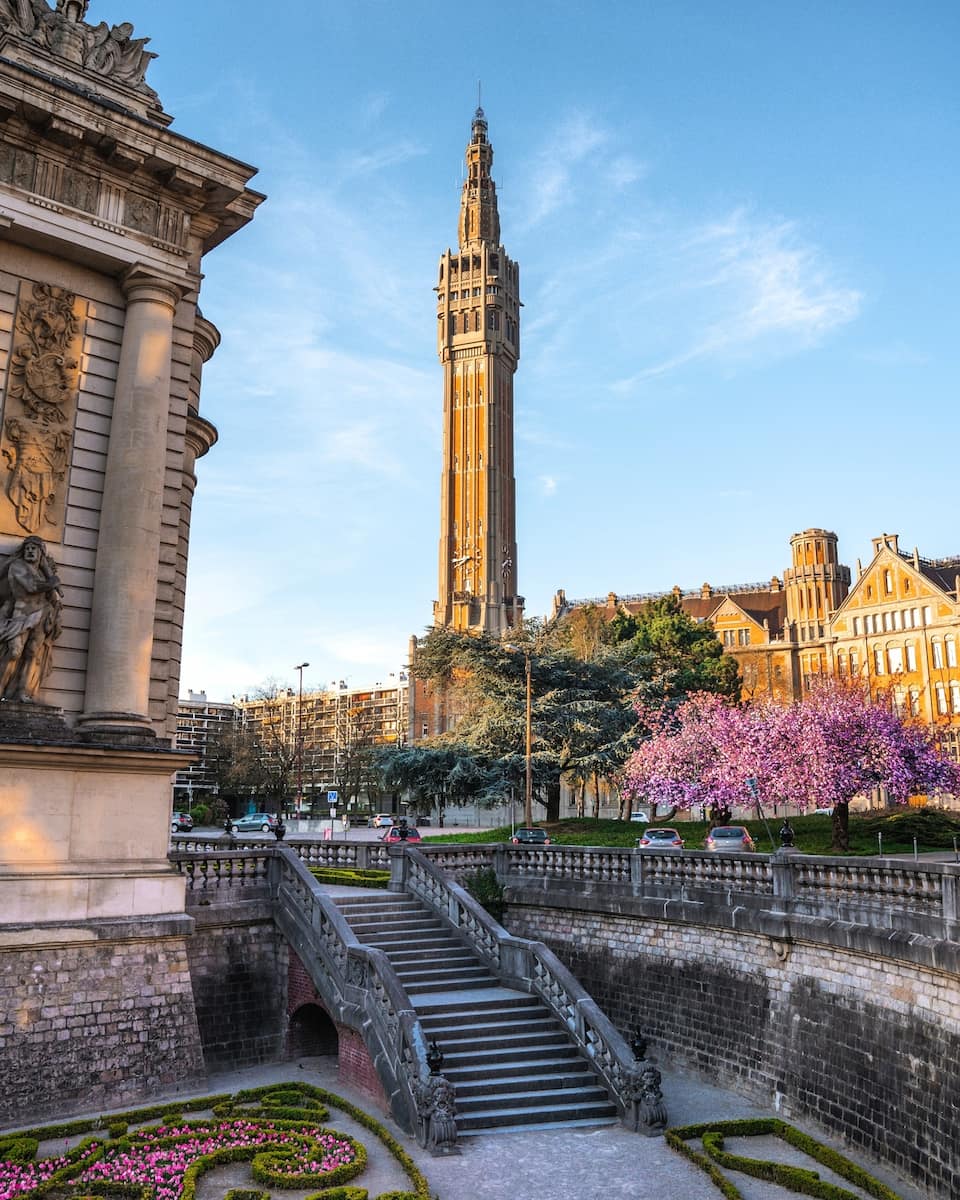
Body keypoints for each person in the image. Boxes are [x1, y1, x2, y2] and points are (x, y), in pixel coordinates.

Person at [0, 535, 62, 702]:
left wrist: (53, 586)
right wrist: (52, 582)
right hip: (21, 614)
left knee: (32, 653)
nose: (29, 551)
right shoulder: (17, 566)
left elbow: (53, 597)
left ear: (41, 553)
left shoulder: (43, 573)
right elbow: (30, 586)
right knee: (14, 652)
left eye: (34, 548)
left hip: (41, 614)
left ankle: (23, 691)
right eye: (27, 548)